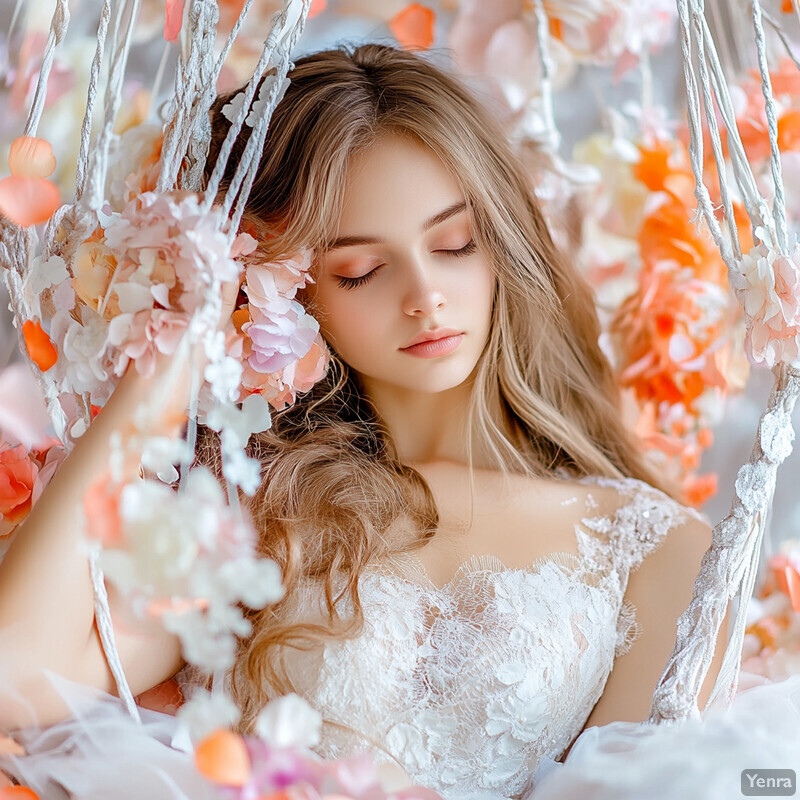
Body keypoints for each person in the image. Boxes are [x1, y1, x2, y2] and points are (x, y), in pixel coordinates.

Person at [0, 42, 730, 799]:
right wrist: (161, 378)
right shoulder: (253, 513)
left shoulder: (652, 547)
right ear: (290, 295)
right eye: (361, 270)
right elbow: (14, 675)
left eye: (454, 244)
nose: (426, 295)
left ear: (502, 242)